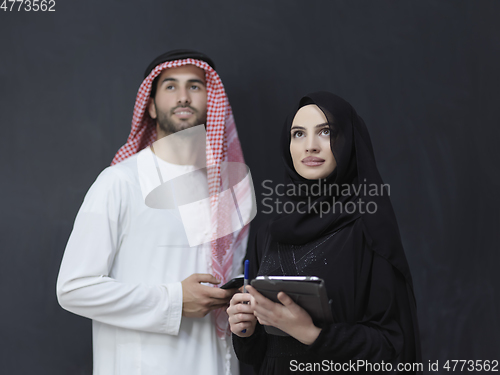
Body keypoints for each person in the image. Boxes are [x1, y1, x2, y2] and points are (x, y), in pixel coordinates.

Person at [56, 49, 251, 375]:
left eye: (195, 86)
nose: (184, 97)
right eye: (171, 87)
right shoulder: (120, 181)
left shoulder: (227, 192)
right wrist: (175, 299)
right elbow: (74, 288)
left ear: (212, 101)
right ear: (150, 104)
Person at [227, 92, 422, 374]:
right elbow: (256, 355)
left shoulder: (367, 228)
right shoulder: (269, 233)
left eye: (326, 132)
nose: (310, 146)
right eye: (298, 134)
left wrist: (311, 333)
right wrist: (244, 328)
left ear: (348, 142)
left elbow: (394, 345)